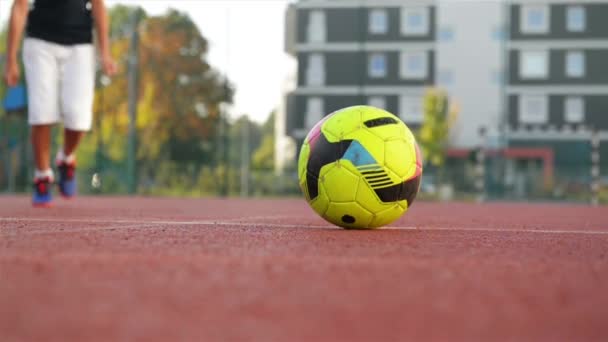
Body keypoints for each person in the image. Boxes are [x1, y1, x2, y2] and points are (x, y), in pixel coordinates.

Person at [3, 0, 117, 207]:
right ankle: (42, 177)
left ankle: (66, 158)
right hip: (39, 43)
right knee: (42, 113)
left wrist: (105, 52)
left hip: (80, 45)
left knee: (78, 118)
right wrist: (10, 59)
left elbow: (99, 5)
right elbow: (19, 6)